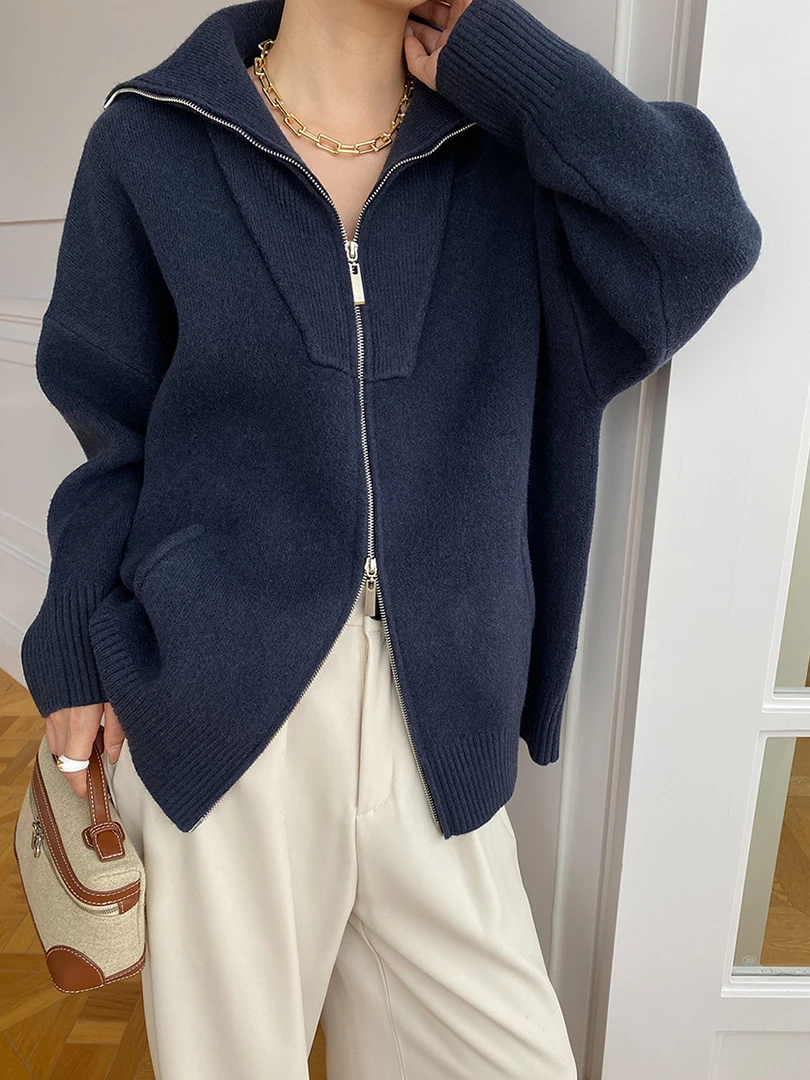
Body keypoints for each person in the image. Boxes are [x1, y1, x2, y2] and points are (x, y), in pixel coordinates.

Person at [20, 0, 762, 1076]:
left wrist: (501, 56)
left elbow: (705, 234)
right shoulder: (150, 139)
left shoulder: (508, 162)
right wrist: (76, 649)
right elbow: (108, 428)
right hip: (223, 721)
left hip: (442, 723)